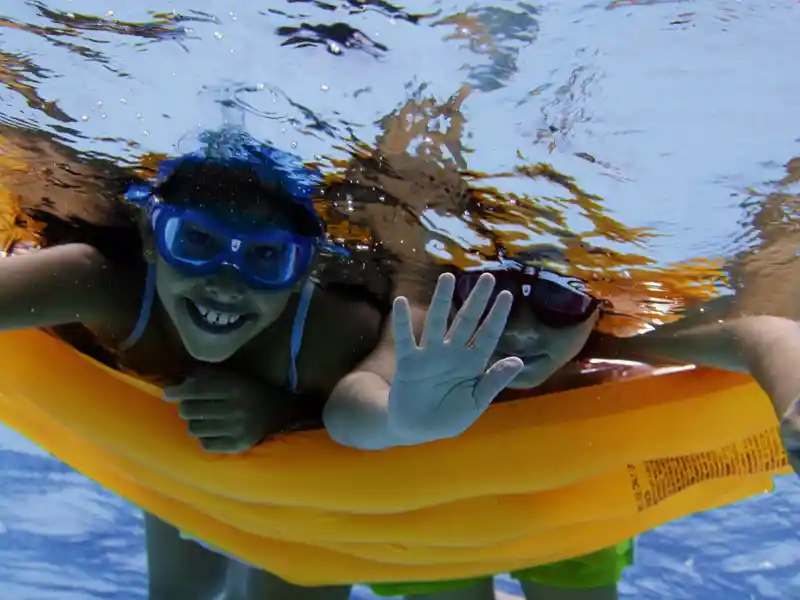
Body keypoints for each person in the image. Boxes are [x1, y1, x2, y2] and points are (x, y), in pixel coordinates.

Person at [351, 256, 800, 600]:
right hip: (430, 519)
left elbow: (762, 335)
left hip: (567, 511)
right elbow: (352, 403)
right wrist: (397, 420)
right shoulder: (428, 328)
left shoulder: (611, 331)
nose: (524, 329)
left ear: (595, 306)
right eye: (493, 295)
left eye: (561, 299)